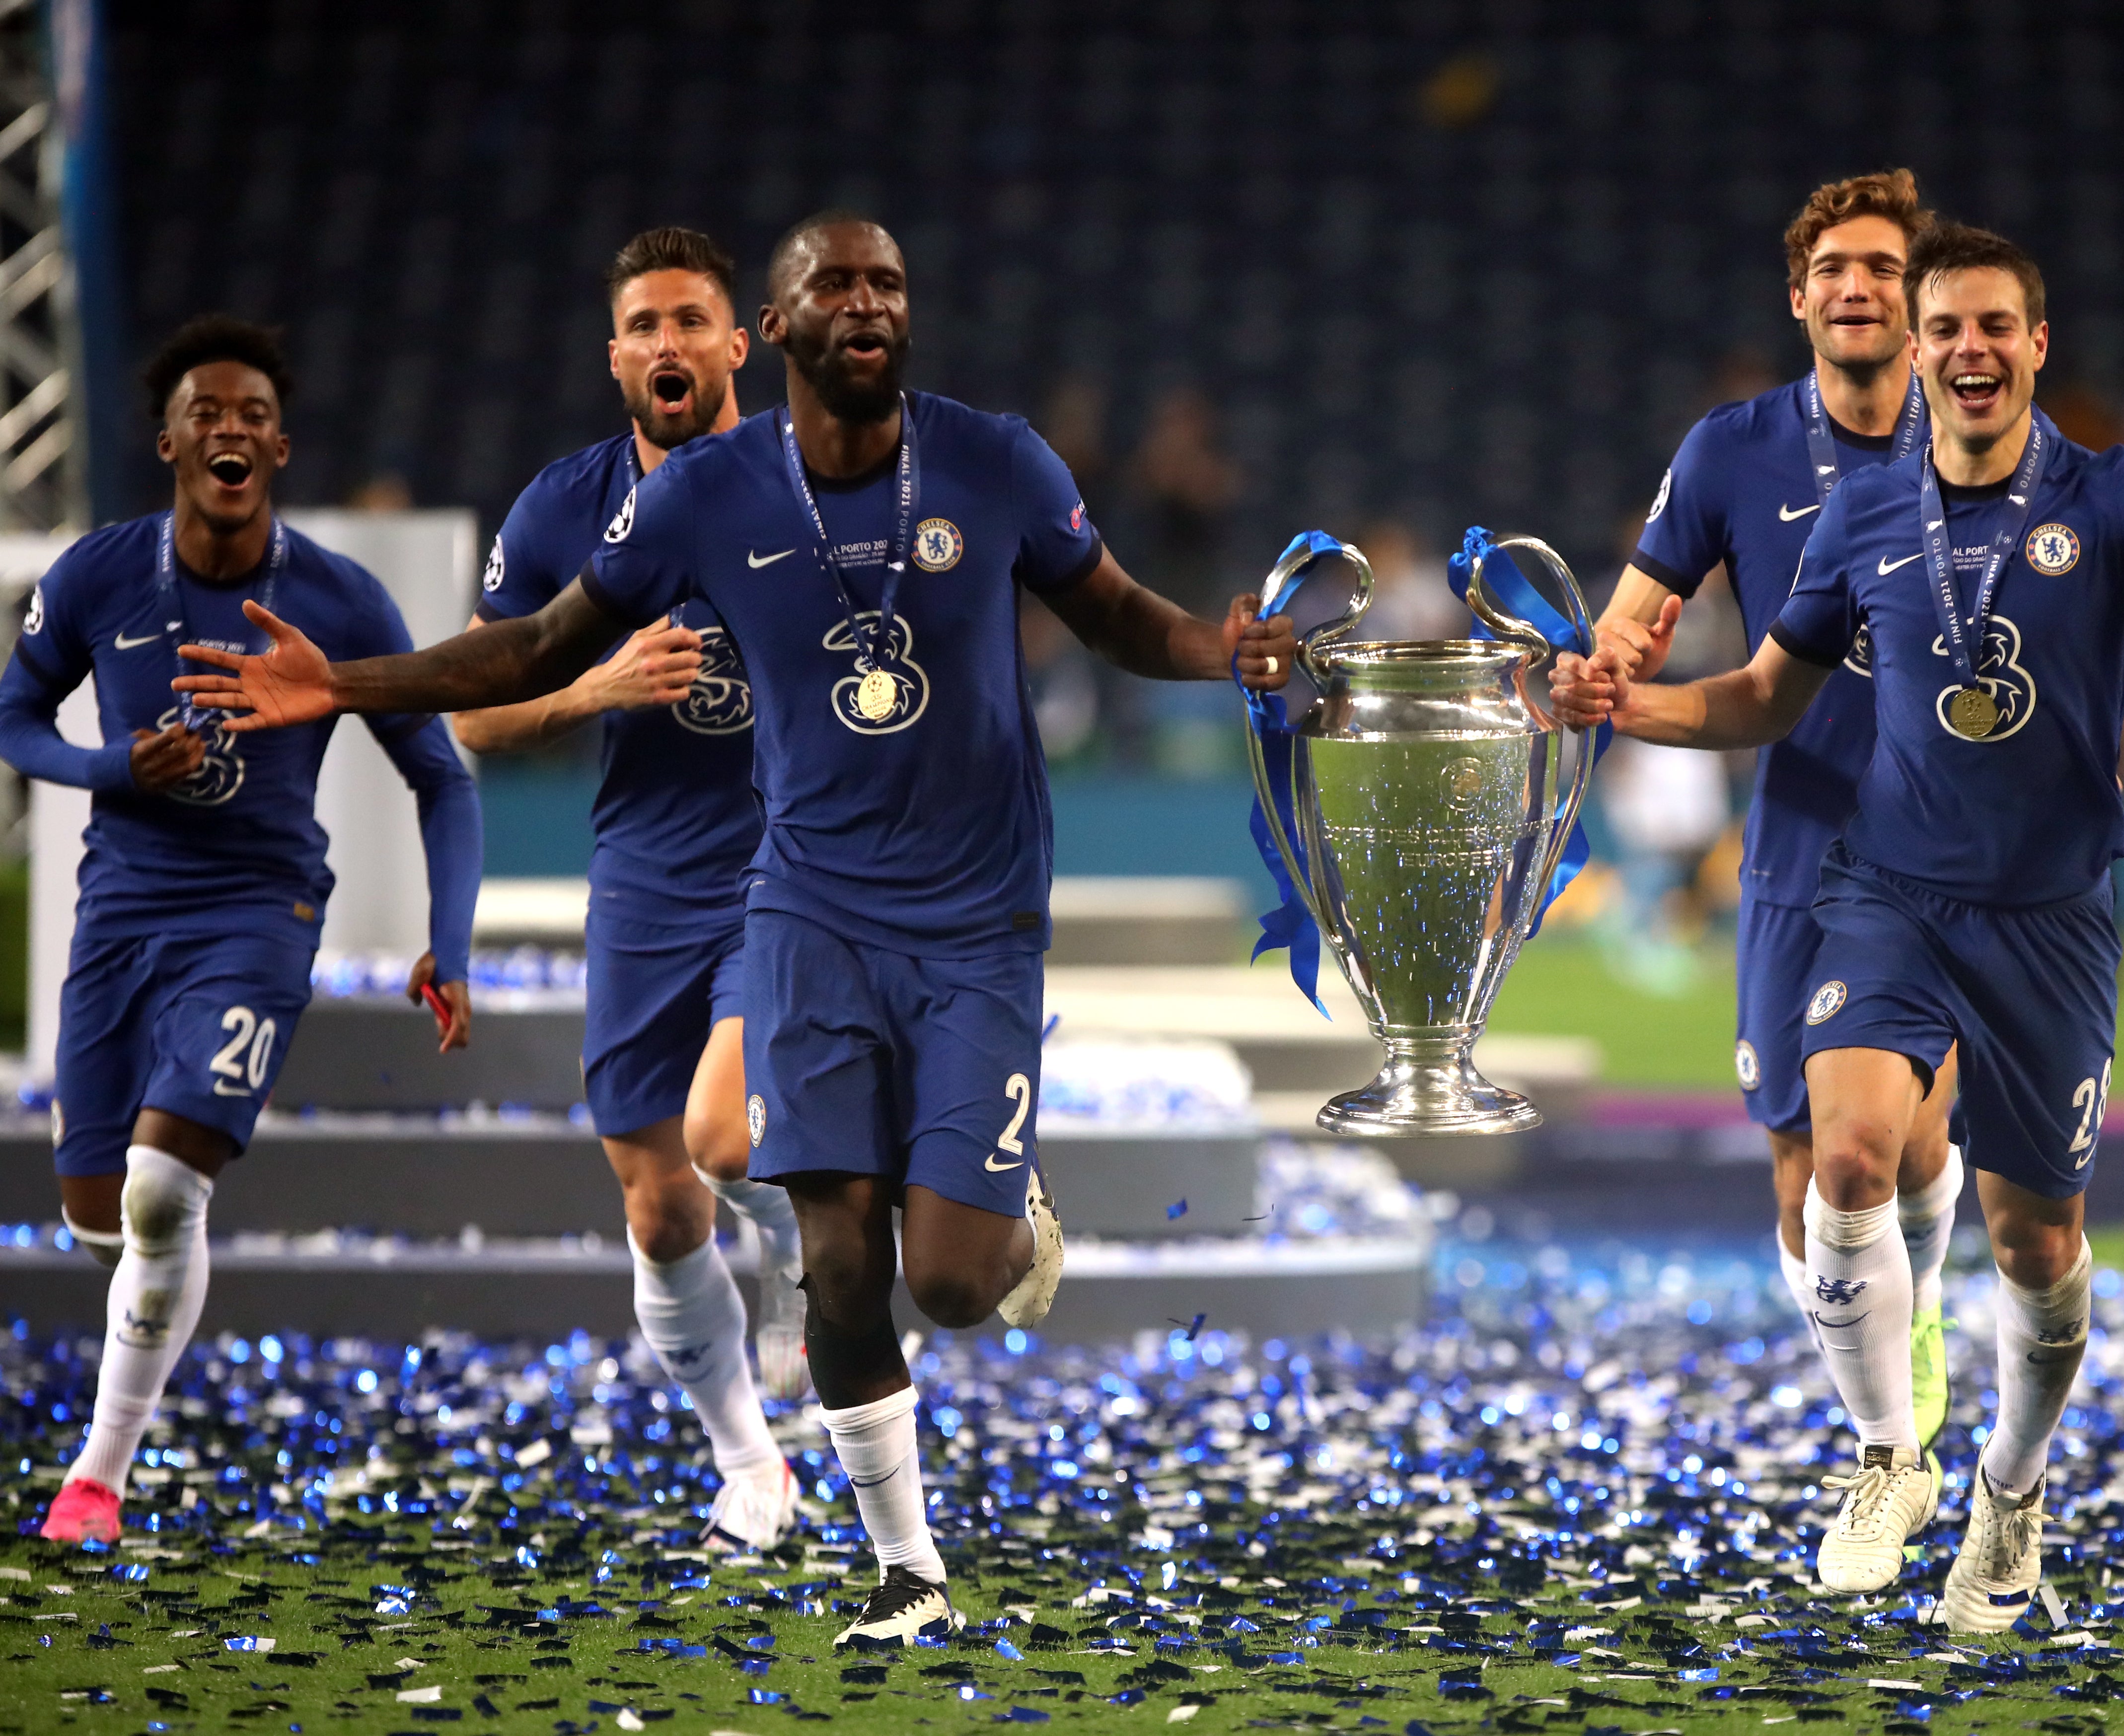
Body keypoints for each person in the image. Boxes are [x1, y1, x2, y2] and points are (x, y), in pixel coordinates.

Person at [170, 213, 1296, 1643]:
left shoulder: (997, 457)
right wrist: (341, 686)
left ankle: (1007, 1233)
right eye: (835, 285)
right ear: (784, 329)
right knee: (825, 1247)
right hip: (807, 908)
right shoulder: (703, 497)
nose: (868, 302)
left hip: (975, 920)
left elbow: (1123, 615)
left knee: (947, 1282)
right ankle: (908, 1571)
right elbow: (529, 648)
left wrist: (1225, 648)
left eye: (889, 281)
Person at [1554, 224, 2124, 1623]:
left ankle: (2013, 1490)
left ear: (2037, 347)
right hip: (1889, 893)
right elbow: (1764, 700)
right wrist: (1633, 707)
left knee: (2036, 1249)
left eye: (1995, 328)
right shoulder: (1862, 513)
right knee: (1847, 1160)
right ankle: (1884, 1458)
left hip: (2050, 921)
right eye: (1946, 331)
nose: (1968, 352)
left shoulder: (2116, 498)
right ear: (1915, 355)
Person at [5, 316, 482, 1544]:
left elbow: (443, 775)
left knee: (164, 1193)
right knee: (100, 1215)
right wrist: (115, 763)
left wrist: (452, 937)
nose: (229, 428)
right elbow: (13, 717)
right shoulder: (101, 575)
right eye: (205, 412)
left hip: (258, 910)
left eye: (251, 413)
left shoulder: (335, 596)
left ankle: (95, 1480)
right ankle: (145, 1348)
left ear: (279, 443)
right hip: (117, 915)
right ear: (170, 441)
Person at [1600, 169, 1967, 1457]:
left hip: (1946, 857)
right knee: (1806, 1177)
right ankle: (1888, 1357)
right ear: (1799, 297)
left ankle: (1894, 1414)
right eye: (1833, 270)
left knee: (1889, 1147)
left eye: (1881, 267)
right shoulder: (1732, 449)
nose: (1856, 286)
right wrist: (1603, 675)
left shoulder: (1980, 438)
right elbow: (1639, 616)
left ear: (1918, 297)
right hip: (1796, 838)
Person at [452, 227, 806, 1551]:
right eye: (643, 324)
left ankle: (829, 1252)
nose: (668, 343)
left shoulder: (815, 486)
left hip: (792, 860)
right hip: (649, 872)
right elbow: (475, 721)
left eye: (691, 319)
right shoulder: (560, 508)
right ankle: (751, 1472)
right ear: (617, 358)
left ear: (739, 343)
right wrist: (589, 689)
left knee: (727, 1131)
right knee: (660, 1202)